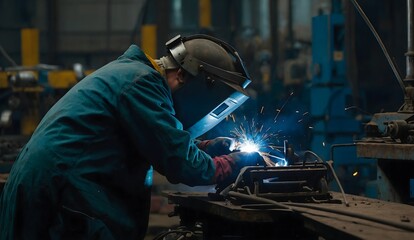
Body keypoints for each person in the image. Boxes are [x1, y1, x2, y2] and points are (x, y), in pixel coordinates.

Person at [0, 34, 263, 239]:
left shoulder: (133, 76)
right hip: (58, 194)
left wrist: (206, 147)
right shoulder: (142, 85)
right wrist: (234, 164)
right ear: (183, 74)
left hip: (51, 186)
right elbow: (184, 165)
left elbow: (152, 139)